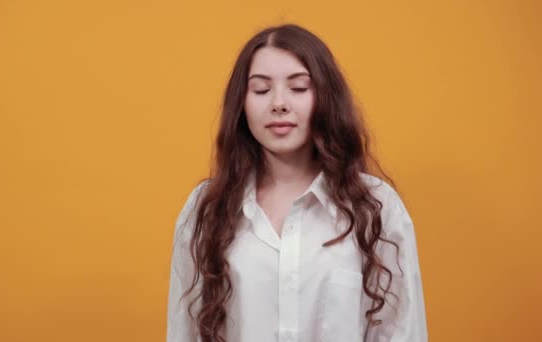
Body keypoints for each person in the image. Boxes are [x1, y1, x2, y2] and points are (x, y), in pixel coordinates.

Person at [166, 23, 428, 342]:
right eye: (261, 90)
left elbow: (402, 331)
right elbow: (184, 332)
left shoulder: (376, 207)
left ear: (324, 98)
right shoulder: (205, 210)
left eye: (299, 88)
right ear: (242, 105)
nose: (279, 103)